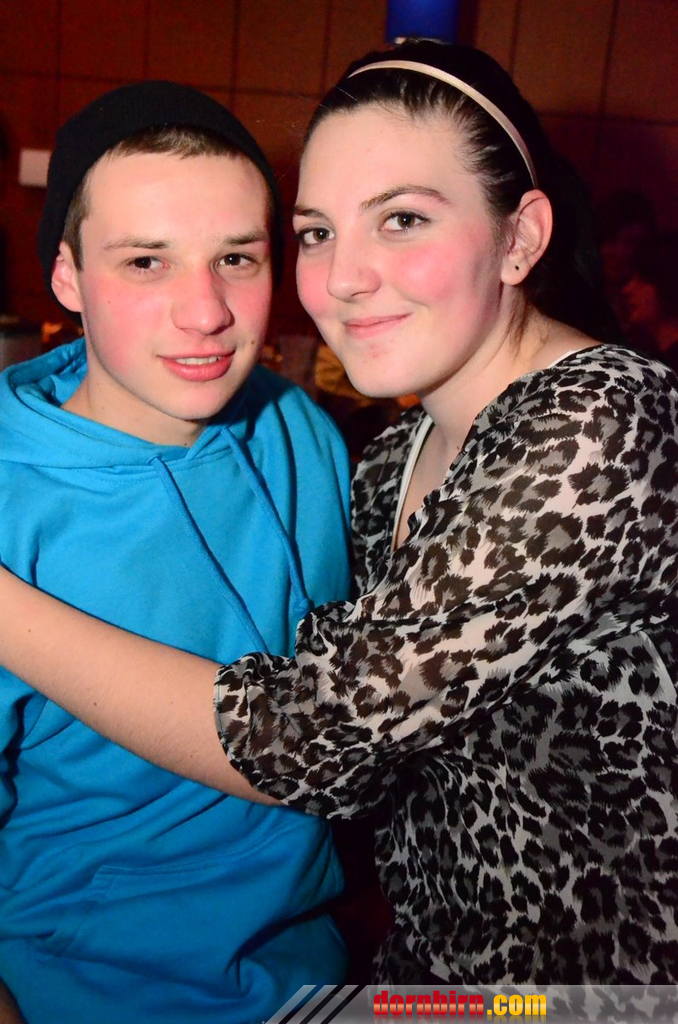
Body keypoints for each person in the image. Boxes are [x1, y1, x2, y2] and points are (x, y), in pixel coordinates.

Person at [0, 40, 676, 987]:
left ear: (521, 238)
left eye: (402, 219)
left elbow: (318, 735)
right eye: (318, 233)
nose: (346, 277)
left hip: (587, 995)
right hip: (399, 974)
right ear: (67, 277)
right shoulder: (391, 455)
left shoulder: (600, 424)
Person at [0, 82, 352, 1023]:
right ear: (67, 276)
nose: (205, 312)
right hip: (87, 994)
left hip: (318, 973)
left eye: (235, 258)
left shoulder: (301, 432)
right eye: (146, 262)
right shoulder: (10, 499)